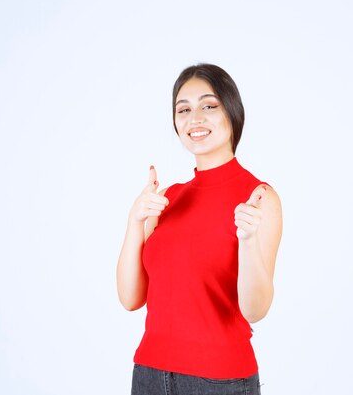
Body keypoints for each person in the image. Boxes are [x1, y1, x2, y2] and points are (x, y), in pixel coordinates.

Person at [117, 63, 283, 395]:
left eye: (209, 106)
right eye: (184, 109)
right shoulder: (167, 198)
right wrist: (134, 222)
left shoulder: (258, 198)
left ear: (232, 112)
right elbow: (130, 298)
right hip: (149, 373)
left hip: (219, 381)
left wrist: (248, 242)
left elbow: (256, 309)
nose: (195, 119)